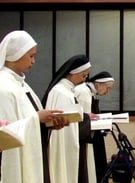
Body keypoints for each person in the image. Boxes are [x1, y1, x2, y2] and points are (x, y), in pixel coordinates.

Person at [0, 30, 65, 183]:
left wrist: (48, 123)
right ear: (16, 54)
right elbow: (6, 132)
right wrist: (37, 118)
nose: (33, 61)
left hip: (33, 152)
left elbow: (27, 117)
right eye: (31, 56)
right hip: (14, 160)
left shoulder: (21, 84)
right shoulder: (3, 86)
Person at [42, 54, 94, 183]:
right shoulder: (60, 92)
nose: (84, 80)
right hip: (62, 143)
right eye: (83, 75)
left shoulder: (67, 90)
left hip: (70, 140)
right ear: (73, 73)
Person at [75, 71, 115, 183]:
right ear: (98, 84)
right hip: (86, 138)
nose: (108, 91)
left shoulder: (89, 92)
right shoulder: (84, 92)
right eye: (107, 88)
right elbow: (85, 120)